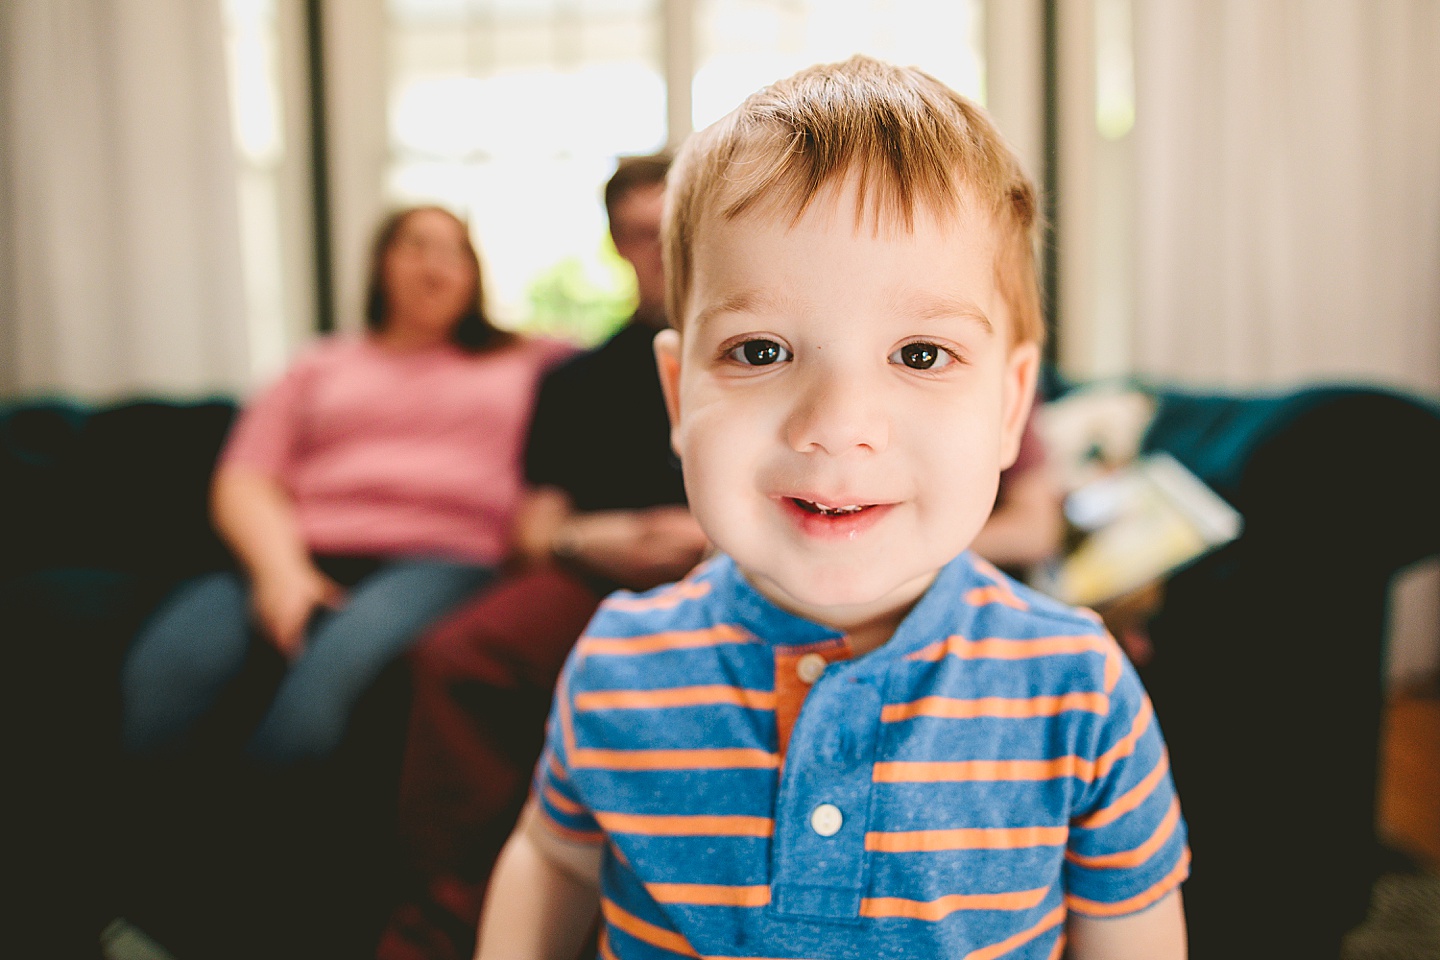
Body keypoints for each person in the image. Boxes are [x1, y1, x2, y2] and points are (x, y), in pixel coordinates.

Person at [474, 56, 1188, 960]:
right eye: (763, 349)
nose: (838, 425)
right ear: (676, 398)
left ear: (1012, 407)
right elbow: (555, 862)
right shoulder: (619, 663)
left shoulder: (1077, 689)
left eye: (922, 354)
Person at [377, 155, 709, 960]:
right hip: (592, 570)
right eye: (638, 233)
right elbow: (533, 528)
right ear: (616, 245)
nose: (657, 249)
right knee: (456, 657)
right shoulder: (575, 379)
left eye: (670, 230)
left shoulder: (756, 348)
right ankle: (450, 917)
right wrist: (599, 539)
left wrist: (714, 536)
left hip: (728, 567)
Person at [121, 204, 572, 765]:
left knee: (314, 709)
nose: (435, 266)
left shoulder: (531, 359)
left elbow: (636, 356)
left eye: (454, 251)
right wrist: (281, 576)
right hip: (294, 550)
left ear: (475, 273)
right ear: (380, 264)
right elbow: (245, 479)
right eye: (415, 246)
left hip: (442, 559)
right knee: (165, 679)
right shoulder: (319, 364)